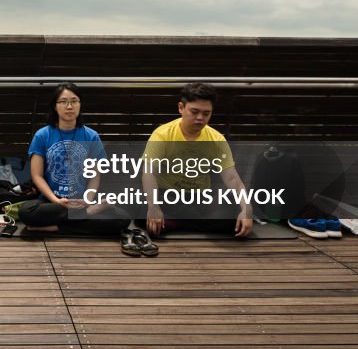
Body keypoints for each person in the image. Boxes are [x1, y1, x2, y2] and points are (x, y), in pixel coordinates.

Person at [141, 82, 253, 238]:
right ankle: (179, 221)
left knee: (231, 218)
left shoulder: (216, 139)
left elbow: (232, 177)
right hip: (167, 196)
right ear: (181, 108)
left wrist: (247, 210)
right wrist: (153, 207)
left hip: (199, 199)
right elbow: (148, 173)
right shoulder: (162, 135)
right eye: (194, 112)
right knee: (140, 210)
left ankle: (175, 223)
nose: (200, 118)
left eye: (206, 114)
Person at [18, 82, 130, 236]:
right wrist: (56, 201)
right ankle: (87, 215)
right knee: (26, 212)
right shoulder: (42, 135)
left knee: (123, 218)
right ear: (55, 106)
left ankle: (55, 227)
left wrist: (89, 200)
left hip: (82, 201)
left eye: (74, 101)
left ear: (80, 105)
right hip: (52, 203)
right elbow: (37, 175)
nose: (69, 106)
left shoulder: (91, 136)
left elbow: (95, 175)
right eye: (63, 102)